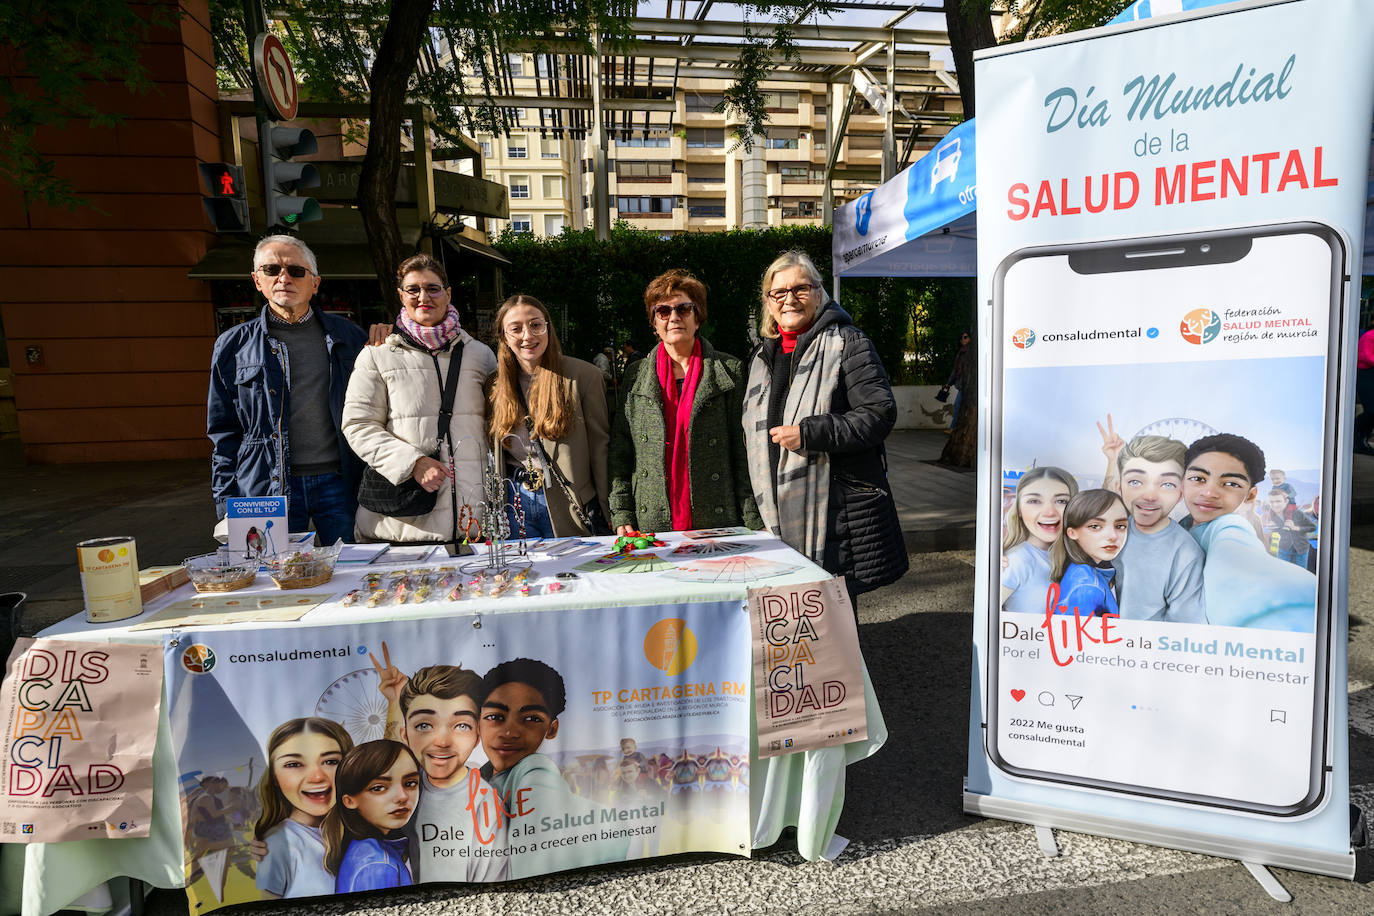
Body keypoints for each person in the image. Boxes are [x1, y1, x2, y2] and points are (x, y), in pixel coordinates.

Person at [742, 250, 907, 606]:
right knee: (793, 619)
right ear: (768, 304)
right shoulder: (761, 358)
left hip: (837, 511)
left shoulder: (848, 342)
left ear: (819, 293)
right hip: (778, 511)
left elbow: (879, 414)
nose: (789, 299)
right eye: (779, 292)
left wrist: (810, 433)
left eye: (800, 288)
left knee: (836, 620)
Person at [208, 236, 367, 545]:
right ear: (257, 280)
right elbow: (223, 431)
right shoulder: (232, 346)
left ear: (315, 283)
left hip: (341, 482)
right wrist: (226, 501)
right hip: (265, 488)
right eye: (271, 269)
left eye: (296, 270)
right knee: (272, 580)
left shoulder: (350, 337)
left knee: (355, 576)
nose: (284, 278)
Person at [341, 254, 496, 544]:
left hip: (471, 524)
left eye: (433, 288)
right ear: (401, 296)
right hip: (401, 526)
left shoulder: (481, 356)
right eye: (413, 289)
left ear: (448, 294)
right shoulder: (377, 354)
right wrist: (412, 463)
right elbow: (358, 425)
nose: (423, 296)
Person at [609, 270, 762, 535]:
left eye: (683, 309)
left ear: (698, 316)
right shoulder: (635, 376)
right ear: (654, 322)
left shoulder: (731, 370)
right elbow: (621, 450)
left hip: (717, 517)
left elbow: (742, 452)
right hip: (651, 519)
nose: (674, 318)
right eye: (663, 311)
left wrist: (753, 522)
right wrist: (621, 510)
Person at [476, 658, 627, 877]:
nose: (509, 732)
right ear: (477, 721)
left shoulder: (535, 771)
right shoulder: (478, 777)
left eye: (530, 718)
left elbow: (537, 860)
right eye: (495, 717)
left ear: (552, 728)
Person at [369, 646, 507, 881]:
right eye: (424, 725)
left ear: (477, 736)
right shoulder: (410, 787)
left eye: (461, 725)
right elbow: (388, 768)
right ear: (405, 734)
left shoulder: (485, 803)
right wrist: (395, 700)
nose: (441, 742)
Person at [488, 295, 611, 537]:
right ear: (504, 336)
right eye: (516, 329)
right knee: (524, 574)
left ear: (548, 327)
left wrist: (609, 510)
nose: (527, 336)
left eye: (535, 325)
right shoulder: (493, 384)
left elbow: (601, 449)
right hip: (515, 503)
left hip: (569, 504)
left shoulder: (584, 376)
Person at [1181, 433, 1316, 631]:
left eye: (1231, 484)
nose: (1209, 493)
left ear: (1250, 495)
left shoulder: (1229, 527)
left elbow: (1238, 555)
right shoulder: (1178, 523)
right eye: (1198, 478)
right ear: (1182, 482)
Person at [1097, 428, 1207, 624]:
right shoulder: (1110, 531)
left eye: (1166, 485)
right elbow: (1099, 511)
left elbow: (1184, 629)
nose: (1149, 495)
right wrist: (1112, 460)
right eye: (1135, 481)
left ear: (1181, 493)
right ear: (1119, 486)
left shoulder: (1185, 554)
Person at [254, 717, 354, 900]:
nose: (316, 777)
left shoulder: (360, 829)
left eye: (330, 761)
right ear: (274, 777)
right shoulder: (277, 845)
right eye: (294, 764)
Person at [322, 740, 421, 892]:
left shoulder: (366, 849)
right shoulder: (378, 866)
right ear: (349, 801)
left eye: (410, 783)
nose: (402, 796)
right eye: (379, 787)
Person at [1000, 466, 1078, 612]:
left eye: (1061, 501)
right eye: (1034, 501)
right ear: (1019, 510)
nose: (1049, 512)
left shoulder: (1074, 556)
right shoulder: (1015, 561)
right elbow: (985, 617)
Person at [1049, 489, 1129, 618]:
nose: (1113, 536)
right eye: (1095, 526)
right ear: (1072, 533)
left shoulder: (1091, 572)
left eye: (1120, 526)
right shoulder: (1086, 587)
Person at [1261, 487, 1316, 568]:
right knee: (1283, 572)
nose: (1275, 505)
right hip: (1284, 548)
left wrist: (1296, 528)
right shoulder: (1271, 515)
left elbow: (1312, 527)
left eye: (1278, 501)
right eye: (1272, 502)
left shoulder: (1297, 513)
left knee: (1300, 573)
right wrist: (1272, 528)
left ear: (1286, 501)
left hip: (1301, 549)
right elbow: (1276, 532)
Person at [942, 330, 970, 432]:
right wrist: (948, 383)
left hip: (966, 384)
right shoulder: (961, 352)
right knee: (959, 406)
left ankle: (953, 428)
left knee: (958, 406)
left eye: (966, 337)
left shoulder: (969, 353)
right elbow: (956, 370)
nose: (963, 339)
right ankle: (955, 428)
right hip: (962, 384)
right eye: (962, 337)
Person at [1356, 317, 1374, 454]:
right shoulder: (1369, 336)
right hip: (1367, 375)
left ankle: (1362, 441)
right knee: (1371, 410)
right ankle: (1356, 437)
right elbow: (1365, 357)